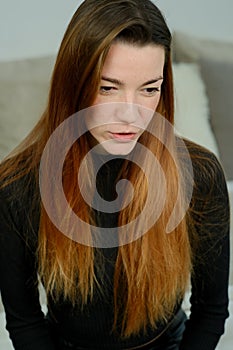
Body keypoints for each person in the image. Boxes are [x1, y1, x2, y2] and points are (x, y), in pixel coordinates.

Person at [0, 0, 230, 349]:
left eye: (149, 89)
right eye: (108, 87)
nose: (130, 113)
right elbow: (25, 320)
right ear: (73, 84)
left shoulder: (200, 174)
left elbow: (211, 310)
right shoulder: (17, 186)